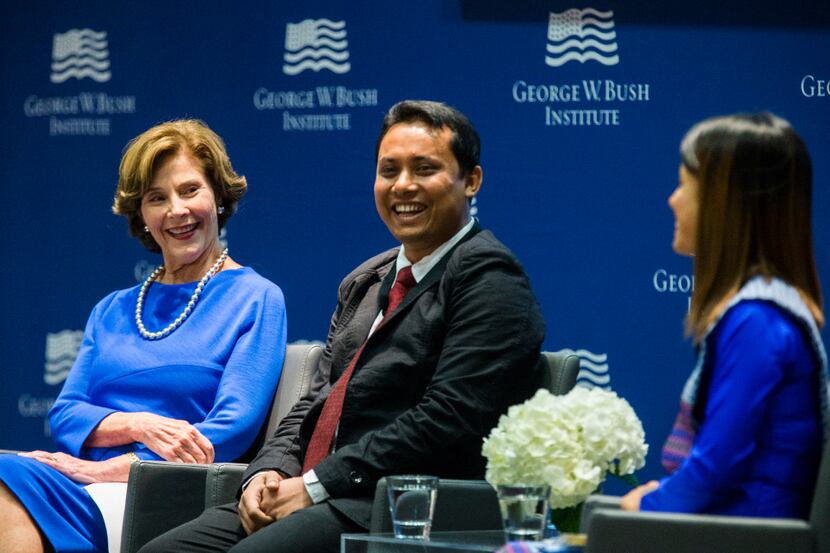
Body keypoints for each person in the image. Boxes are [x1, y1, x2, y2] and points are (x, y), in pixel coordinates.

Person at [139, 100, 546, 553]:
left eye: (424, 168)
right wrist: (267, 471)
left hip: (395, 508)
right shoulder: (367, 280)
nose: (403, 185)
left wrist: (315, 485)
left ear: (471, 181)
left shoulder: (488, 277)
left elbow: (448, 418)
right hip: (317, 495)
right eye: (388, 170)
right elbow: (317, 399)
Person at [0, 119, 288, 553]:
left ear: (219, 197)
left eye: (190, 190)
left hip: (163, 494)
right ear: (141, 214)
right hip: (83, 480)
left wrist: (114, 469)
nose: (177, 210)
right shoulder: (113, 308)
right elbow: (65, 415)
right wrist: (140, 425)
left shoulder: (256, 298)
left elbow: (228, 430)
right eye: (157, 198)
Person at [621, 113, 827, 518]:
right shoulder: (761, 313)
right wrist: (661, 494)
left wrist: (649, 504)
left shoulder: (757, 323)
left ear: (723, 204)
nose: (672, 199)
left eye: (684, 185)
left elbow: (714, 470)